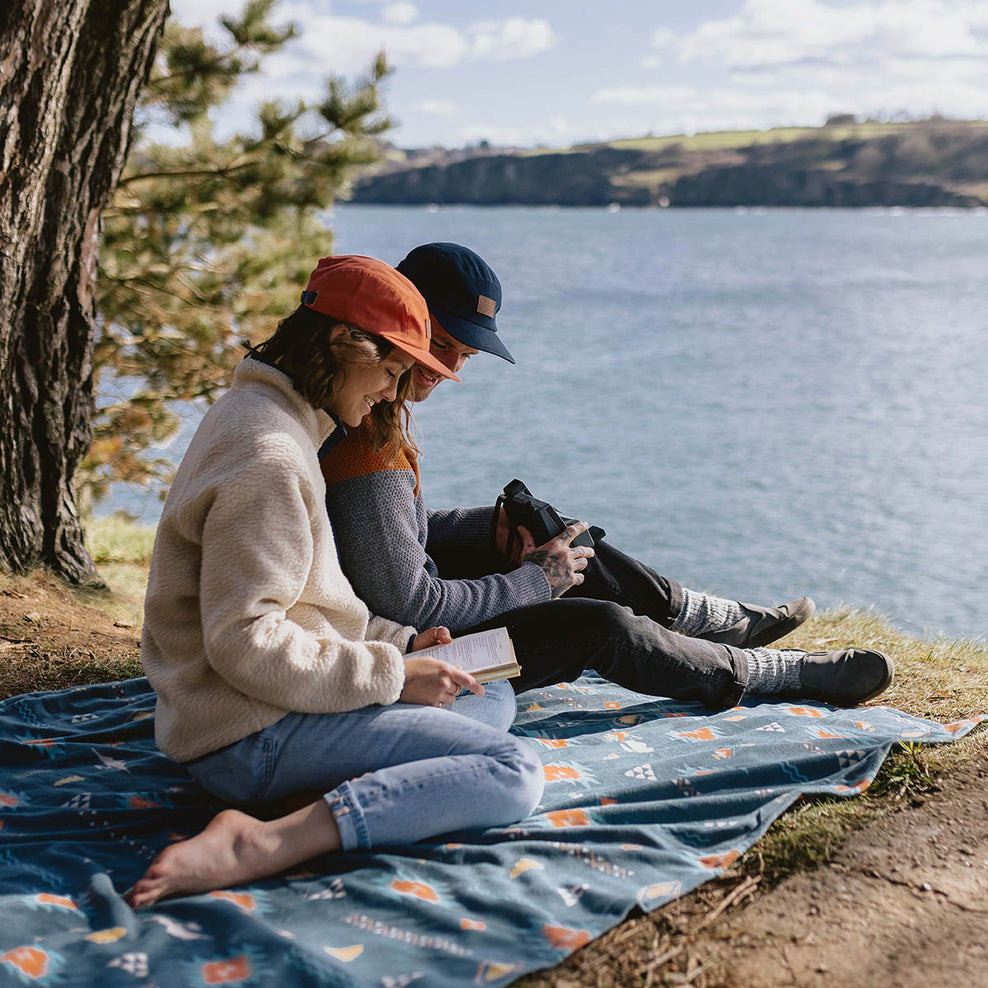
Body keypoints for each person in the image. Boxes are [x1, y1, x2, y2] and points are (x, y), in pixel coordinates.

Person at [127, 255, 541, 907]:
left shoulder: (267, 415)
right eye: (391, 373)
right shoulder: (271, 459)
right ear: (347, 344)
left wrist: (405, 644)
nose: (389, 393)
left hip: (267, 706)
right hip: (245, 735)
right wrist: (394, 675)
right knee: (511, 770)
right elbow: (246, 642)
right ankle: (267, 840)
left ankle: (322, 791)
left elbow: (310, 603)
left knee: (487, 696)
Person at [320, 243, 894, 708]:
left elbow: (383, 536)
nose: (446, 371)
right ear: (401, 320)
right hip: (411, 655)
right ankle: (772, 674)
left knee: (556, 532)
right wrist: (535, 583)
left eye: (465, 357)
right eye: (440, 346)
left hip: (399, 617)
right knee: (600, 627)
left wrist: (481, 529)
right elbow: (414, 603)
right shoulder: (364, 440)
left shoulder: (376, 409)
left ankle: (713, 621)